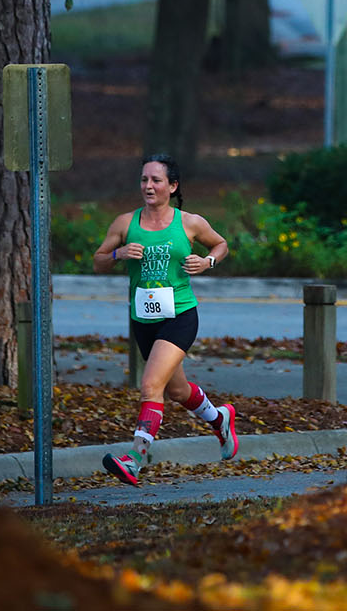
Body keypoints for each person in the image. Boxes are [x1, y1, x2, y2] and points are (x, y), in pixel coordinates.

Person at [93, 153, 238, 485]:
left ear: (172, 186)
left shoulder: (189, 222)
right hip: (144, 320)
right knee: (176, 390)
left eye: (156, 180)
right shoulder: (124, 224)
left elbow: (221, 245)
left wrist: (208, 263)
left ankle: (136, 458)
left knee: (150, 385)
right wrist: (117, 254)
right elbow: (97, 261)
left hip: (180, 315)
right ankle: (219, 420)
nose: (148, 186)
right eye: (144, 179)